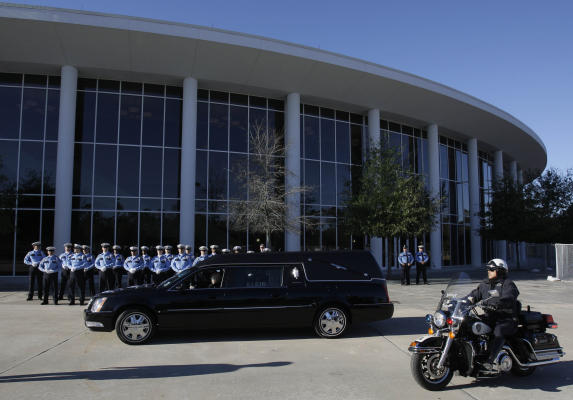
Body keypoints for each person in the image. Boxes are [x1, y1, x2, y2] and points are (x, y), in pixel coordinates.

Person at [466, 258, 520, 371]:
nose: (488, 271)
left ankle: (490, 361)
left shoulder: (507, 284)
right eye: (488, 269)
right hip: (490, 317)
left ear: (500, 271)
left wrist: (501, 303)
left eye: (491, 269)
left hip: (506, 318)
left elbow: (510, 296)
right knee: (469, 324)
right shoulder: (485, 284)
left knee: (498, 331)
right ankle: (474, 354)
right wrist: (461, 301)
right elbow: (474, 295)